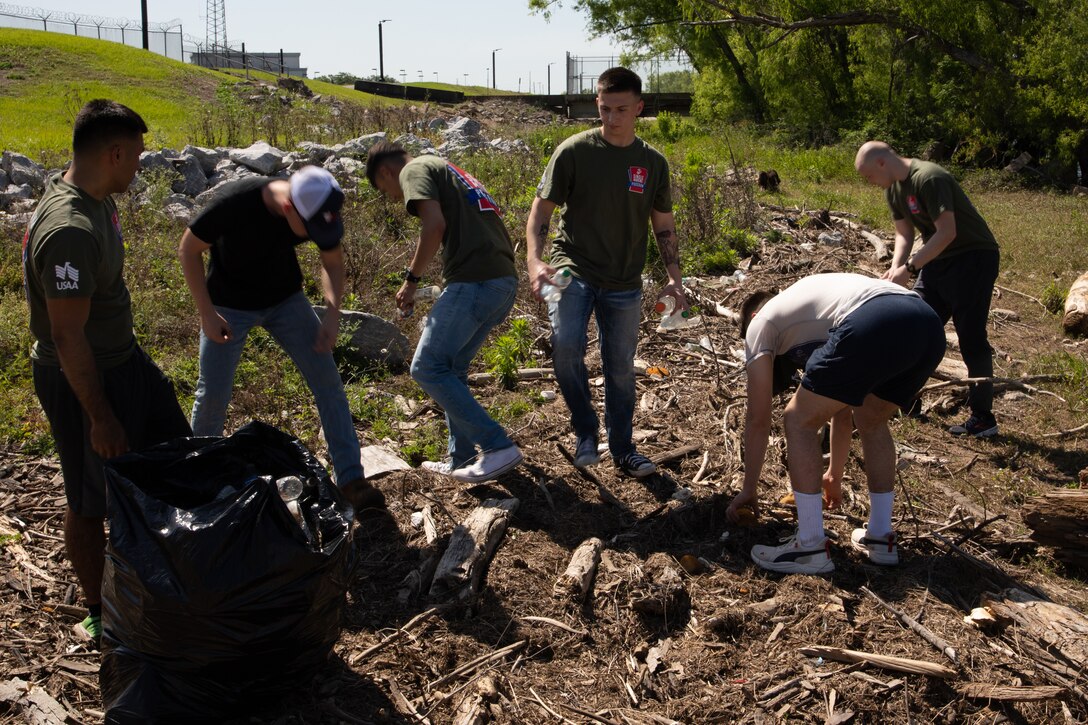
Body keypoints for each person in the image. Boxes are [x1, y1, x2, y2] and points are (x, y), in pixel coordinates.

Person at [22, 99, 193, 646]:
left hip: (125, 360)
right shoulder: (69, 228)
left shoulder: (93, 195)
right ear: (113, 153)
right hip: (82, 379)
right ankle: (101, 609)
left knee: (178, 456)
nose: (140, 166)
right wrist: (100, 417)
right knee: (88, 498)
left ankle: (173, 574)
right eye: (137, 157)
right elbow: (67, 336)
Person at [178, 165, 384, 512]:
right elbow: (188, 249)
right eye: (311, 230)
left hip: (285, 300)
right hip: (229, 306)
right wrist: (206, 313)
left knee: (328, 382)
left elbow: (332, 261)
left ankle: (350, 479)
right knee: (212, 394)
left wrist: (332, 315)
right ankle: (198, 485)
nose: (316, 235)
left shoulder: (316, 208)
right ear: (288, 207)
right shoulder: (234, 203)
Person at [525, 66, 688, 478]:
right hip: (571, 268)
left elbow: (663, 225)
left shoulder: (652, 163)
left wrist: (675, 278)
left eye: (620, 109)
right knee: (565, 349)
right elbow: (540, 211)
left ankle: (623, 448)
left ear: (639, 108)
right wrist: (533, 259)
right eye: (603, 109)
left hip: (624, 282)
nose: (611, 118)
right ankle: (585, 430)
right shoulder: (574, 151)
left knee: (619, 368)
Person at [726, 273, 946, 574]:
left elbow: (758, 419)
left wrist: (749, 488)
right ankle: (881, 538)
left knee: (797, 419)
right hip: (927, 324)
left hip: (875, 318)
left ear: (752, 316)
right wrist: (833, 474)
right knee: (871, 420)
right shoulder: (813, 312)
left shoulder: (761, 323)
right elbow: (841, 414)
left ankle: (810, 546)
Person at [365, 141, 522, 482]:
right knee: (452, 369)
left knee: (426, 367)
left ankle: (497, 446)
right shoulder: (449, 169)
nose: (394, 197)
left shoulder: (413, 169)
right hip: (501, 282)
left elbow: (433, 226)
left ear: (387, 172)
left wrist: (410, 280)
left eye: (387, 190)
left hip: (476, 282)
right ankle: (462, 459)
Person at [855, 141, 1001, 438]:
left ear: (882, 163)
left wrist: (910, 269)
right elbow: (904, 233)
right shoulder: (894, 189)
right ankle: (903, 398)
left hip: (972, 258)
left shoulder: (928, 178)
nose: (870, 183)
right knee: (913, 326)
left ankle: (983, 417)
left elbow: (948, 231)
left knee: (971, 337)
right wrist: (897, 268)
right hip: (937, 260)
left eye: (869, 176)